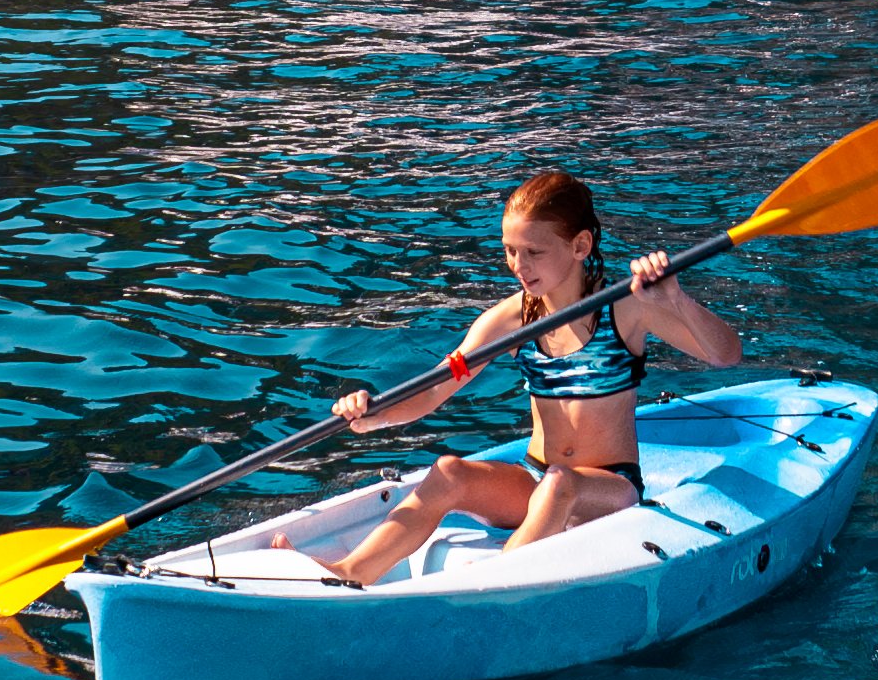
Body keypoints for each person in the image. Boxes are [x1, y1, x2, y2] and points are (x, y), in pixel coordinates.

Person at [300, 169, 743, 584]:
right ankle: (349, 572)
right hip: (533, 479)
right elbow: (436, 386)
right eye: (511, 250)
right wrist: (372, 415)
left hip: (608, 489)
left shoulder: (628, 308)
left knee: (560, 485)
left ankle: (488, 587)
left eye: (533, 252)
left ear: (580, 245)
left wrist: (676, 300)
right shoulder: (513, 318)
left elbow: (725, 355)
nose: (519, 264)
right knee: (449, 471)